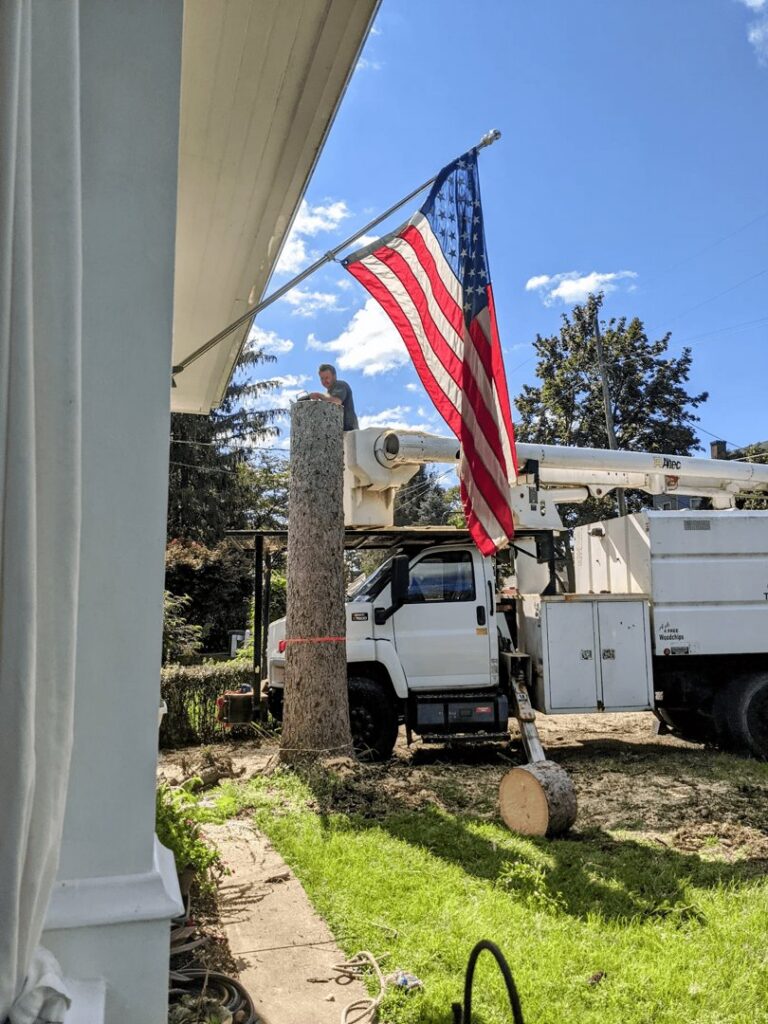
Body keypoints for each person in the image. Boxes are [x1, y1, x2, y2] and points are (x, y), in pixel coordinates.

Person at [308, 363, 359, 431]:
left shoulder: (340, 385)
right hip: (339, 431)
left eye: (327, 378)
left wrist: (319, 395)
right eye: (322, 378)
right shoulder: (329, 393)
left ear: (334, 376)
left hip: (349, 431)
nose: (324, 381)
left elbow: (336, 402)